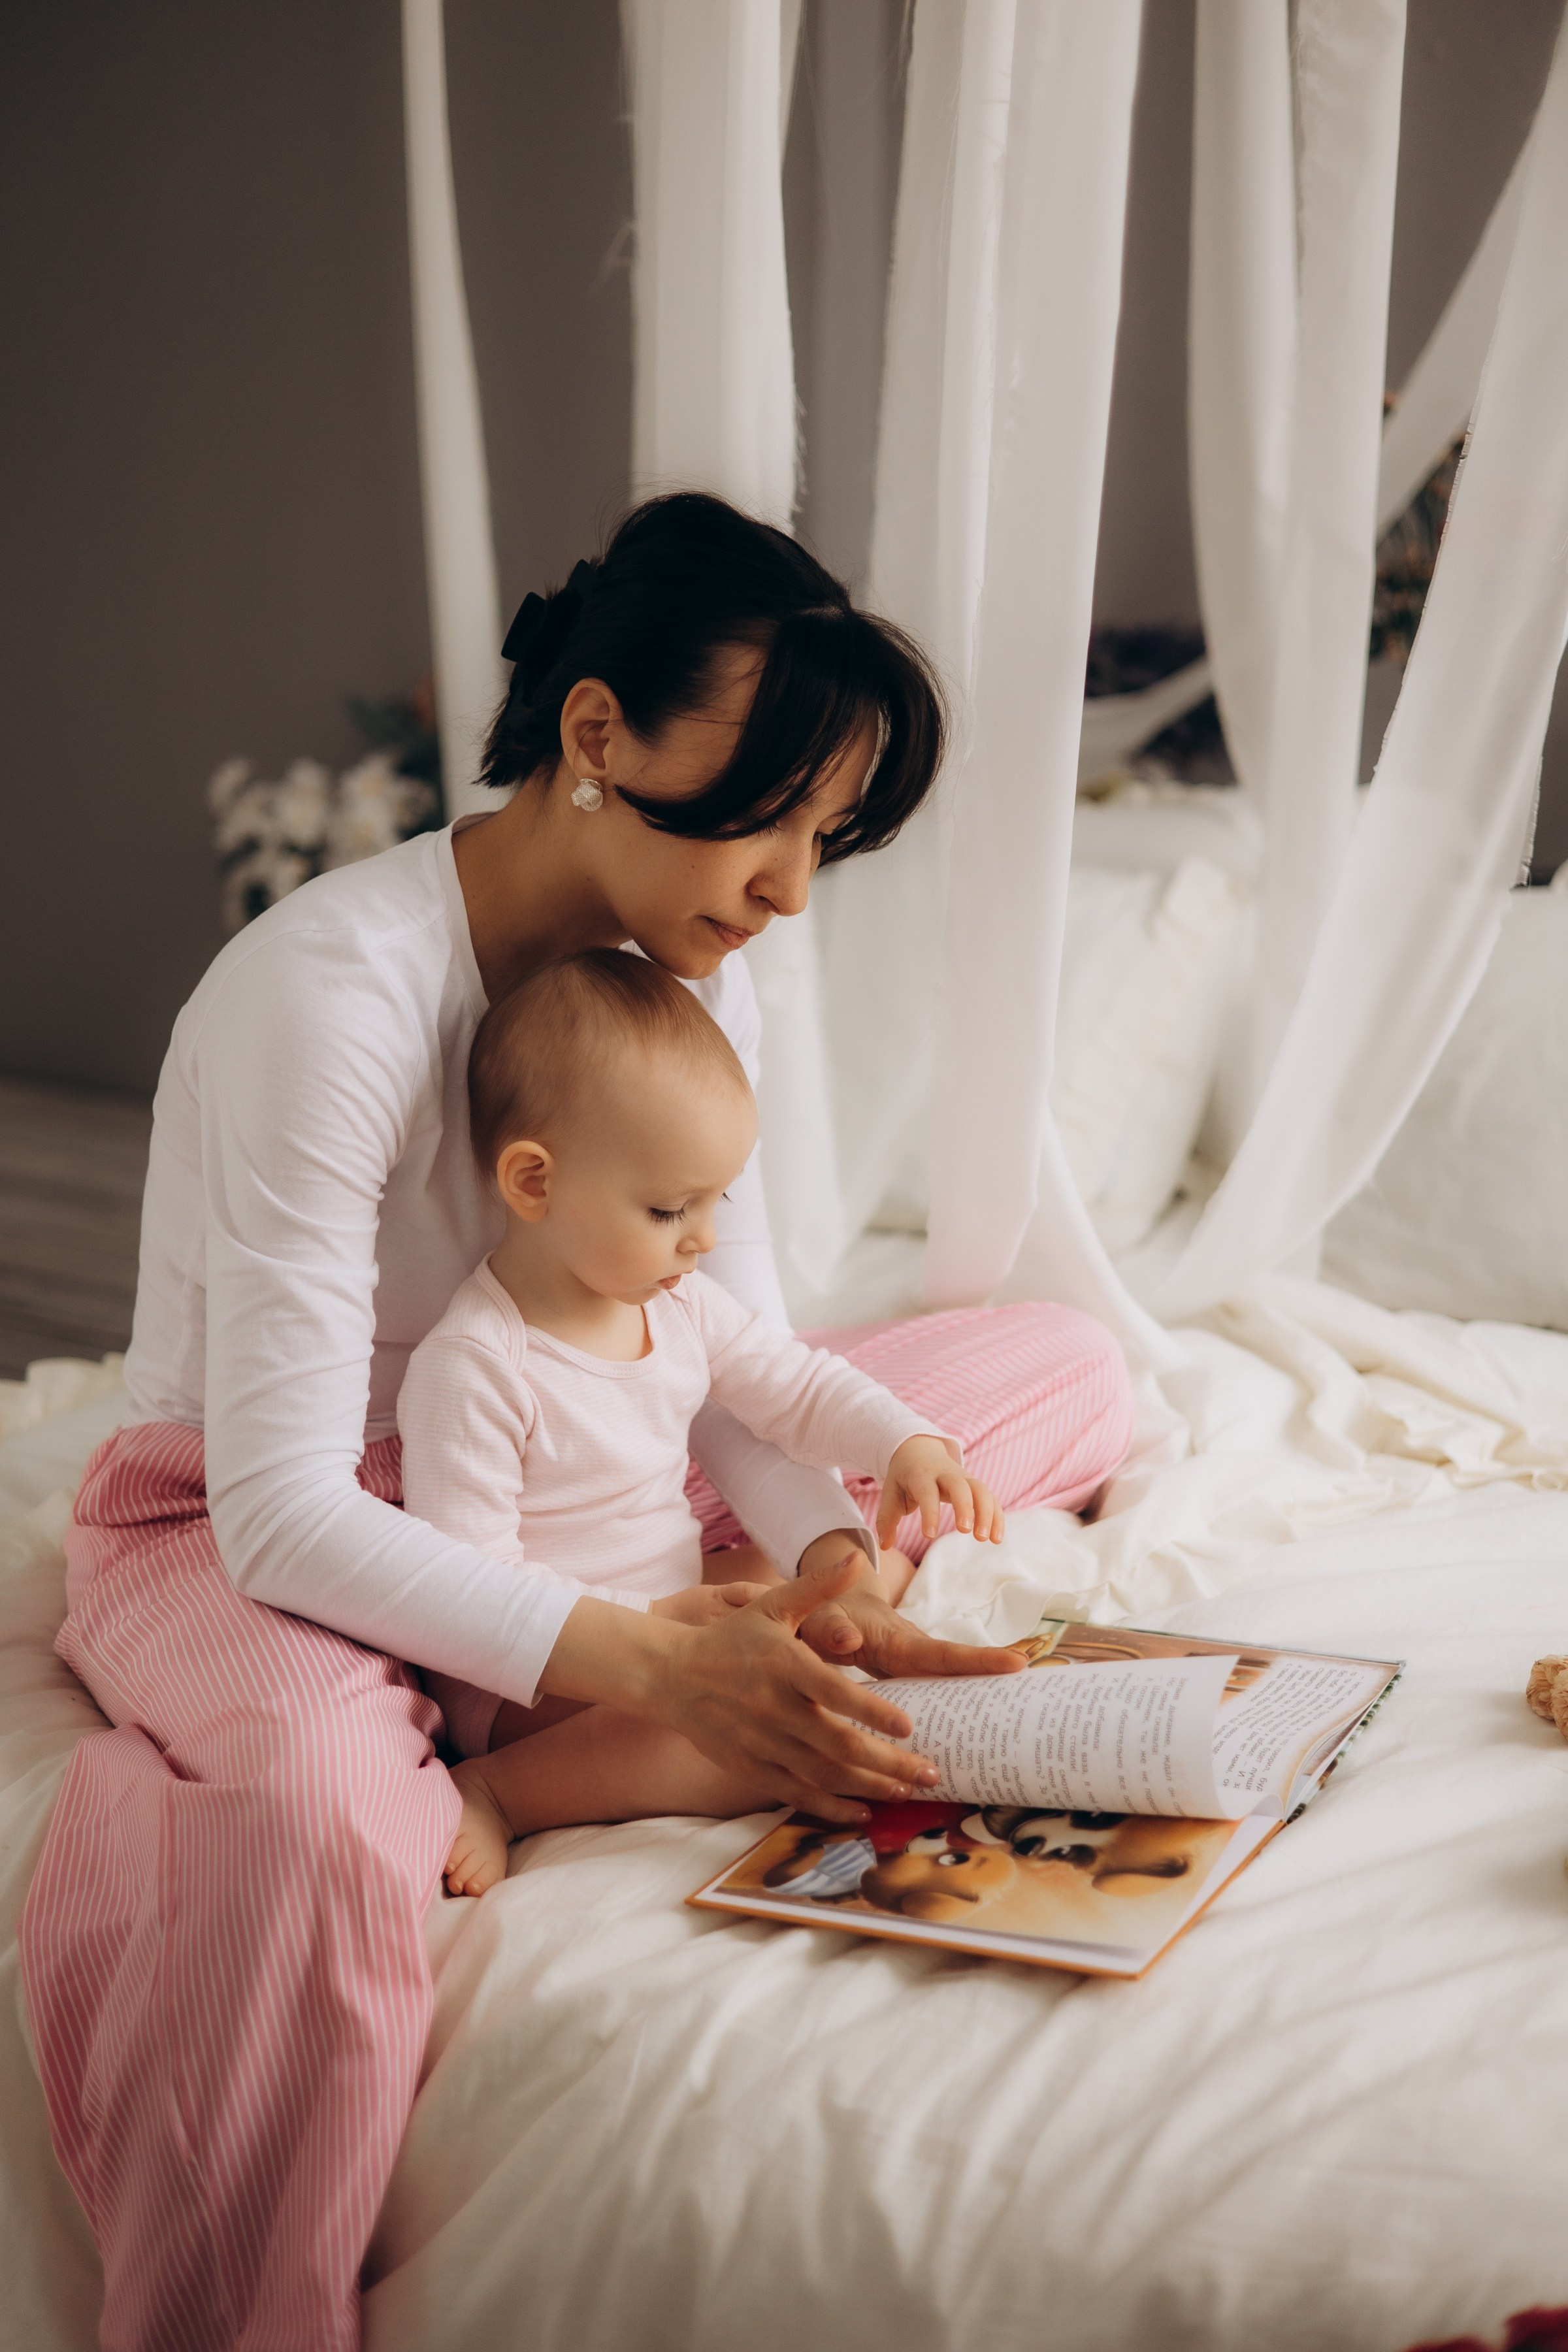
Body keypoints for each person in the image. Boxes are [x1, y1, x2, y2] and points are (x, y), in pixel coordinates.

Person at [21, 491, 1134, 2351]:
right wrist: (651, 1661)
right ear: (597, 734)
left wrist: (835, 1559)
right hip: (266, 1518)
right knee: (306, 1807)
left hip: (593, 1434)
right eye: (766, 814)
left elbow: (729, 1345)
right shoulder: (332, 997)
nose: (790, 888)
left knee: (1063, 1365)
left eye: (825, 836)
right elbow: (284, 1513)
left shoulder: (701, 981)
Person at [399, 949, 1007, 1897]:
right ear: (532, 1183)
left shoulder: (674, 1303)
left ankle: (819, 1634)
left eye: (714, 1201)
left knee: (844, 1572)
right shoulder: (475, 1364)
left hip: (671, 1606)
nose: (705, 1240)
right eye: (668, 1208)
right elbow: (464, 1591)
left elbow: (793, 1388)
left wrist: (902, 1440)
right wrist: (654, 1631)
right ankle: (505, 1796)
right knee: (741, 1743)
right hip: (541, 1674)